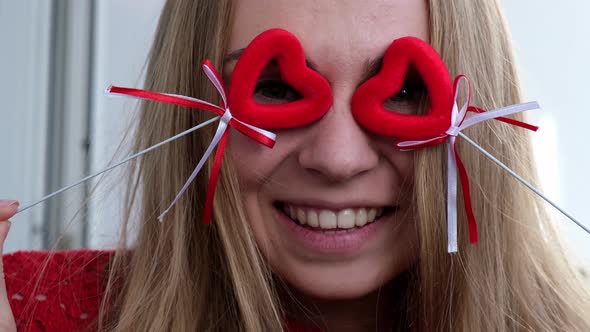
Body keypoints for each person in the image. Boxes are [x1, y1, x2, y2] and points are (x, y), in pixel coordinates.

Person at [1, 0, 589, 331]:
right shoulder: (24, 308)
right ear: (192, 111)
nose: (337, 160)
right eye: (277, 89)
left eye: (406, 92)